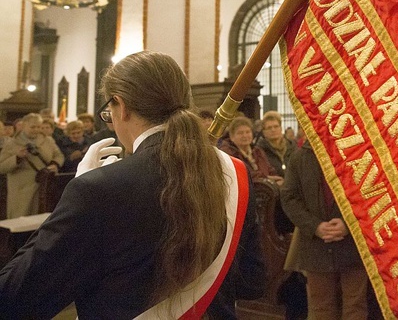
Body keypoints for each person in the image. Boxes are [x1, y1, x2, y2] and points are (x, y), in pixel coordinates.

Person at [0, 51, 265, 319]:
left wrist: (76, 193)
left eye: (108, 112)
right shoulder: (236, 173)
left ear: (121, 106)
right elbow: (252, 281)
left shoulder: (95, 190)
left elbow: (15, 297)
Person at [281, 140, 369, 319]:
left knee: (355, 306)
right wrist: (315, 226)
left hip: (353, 245)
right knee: (321, 307)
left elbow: (369, 193)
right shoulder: (300, 158)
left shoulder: (357, 152)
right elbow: (289, 198)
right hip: (315, 245)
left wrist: (349, 224)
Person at [0, 113, 64, 219]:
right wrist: (17, 158)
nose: (36, 130)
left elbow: (59, 155)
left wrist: (55, 164)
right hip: (21, 192)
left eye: (39, 127)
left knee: (41, 221)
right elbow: (1, 167)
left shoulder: (47, 140)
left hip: (44, 188)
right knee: (21, 224)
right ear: (24, 126)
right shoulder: (12, 143)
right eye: (32, 127)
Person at [220, 116, 282, 184]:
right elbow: (243, 175)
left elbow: (270, 170)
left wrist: (277, 180)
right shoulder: (228, 153)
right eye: (240, 133)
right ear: (232, 137)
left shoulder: (258, 151)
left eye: (248, 132)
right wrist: (266, 178)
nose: (245, 135)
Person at [256, 111, 295, 178]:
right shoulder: (259, 151)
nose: (273, 130)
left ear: (281, 128)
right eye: (269, 128)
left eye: (276, 126)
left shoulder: (292, 146)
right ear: (264, 132)